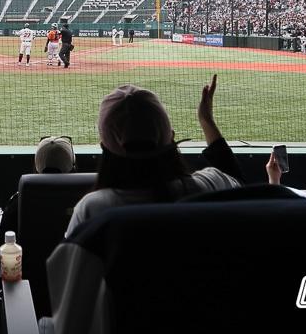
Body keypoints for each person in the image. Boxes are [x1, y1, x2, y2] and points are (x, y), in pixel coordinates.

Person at [65, 76, 241, 236]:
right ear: (171, 136)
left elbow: (68, 269)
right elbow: (237, 183)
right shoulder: (207, 186)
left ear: (104, 147)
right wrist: (206, 119)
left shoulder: (92, 208)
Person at [0, 136, 76, 245]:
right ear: (73, 165)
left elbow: (3, 243)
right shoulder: (85, 201)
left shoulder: (18, 201)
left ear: (37, 165)